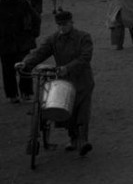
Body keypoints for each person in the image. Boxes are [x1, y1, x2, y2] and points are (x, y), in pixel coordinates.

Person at [16, 9, 95, 155]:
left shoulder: (83, 37)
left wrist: (67, 68)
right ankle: (73, 139)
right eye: (59, 25)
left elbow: (85, 57)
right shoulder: (53, 39)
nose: (62, 28)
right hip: (64, 81)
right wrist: (25, 63)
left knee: (82, 111)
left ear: (72, 22)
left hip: (82, 80)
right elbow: (40, 53)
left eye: (65, 24)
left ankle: (83, 140)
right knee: (68, 110)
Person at [0, 0, 38, 104]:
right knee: (8, 71)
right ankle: (12, 95)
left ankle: (26, 92)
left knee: (25, 67)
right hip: (4, 44)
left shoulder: (23, 4)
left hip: (22, 43)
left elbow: (35, 18)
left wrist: (33, 34)